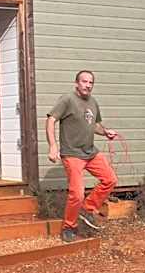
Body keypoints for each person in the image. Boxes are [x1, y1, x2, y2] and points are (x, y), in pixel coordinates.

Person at [46, 70, 118, 242]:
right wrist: (53, 145)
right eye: (84, 82)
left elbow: (94, 125)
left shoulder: (93, 102)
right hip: (72, 154)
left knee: (110, 179)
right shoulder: (67, 99)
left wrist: (105, 132)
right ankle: (69, 227)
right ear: (76, 83)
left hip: (90, 152)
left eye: (90, 83)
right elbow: (50, 120)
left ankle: (87, 209)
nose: (87, 85)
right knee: (77, 194)